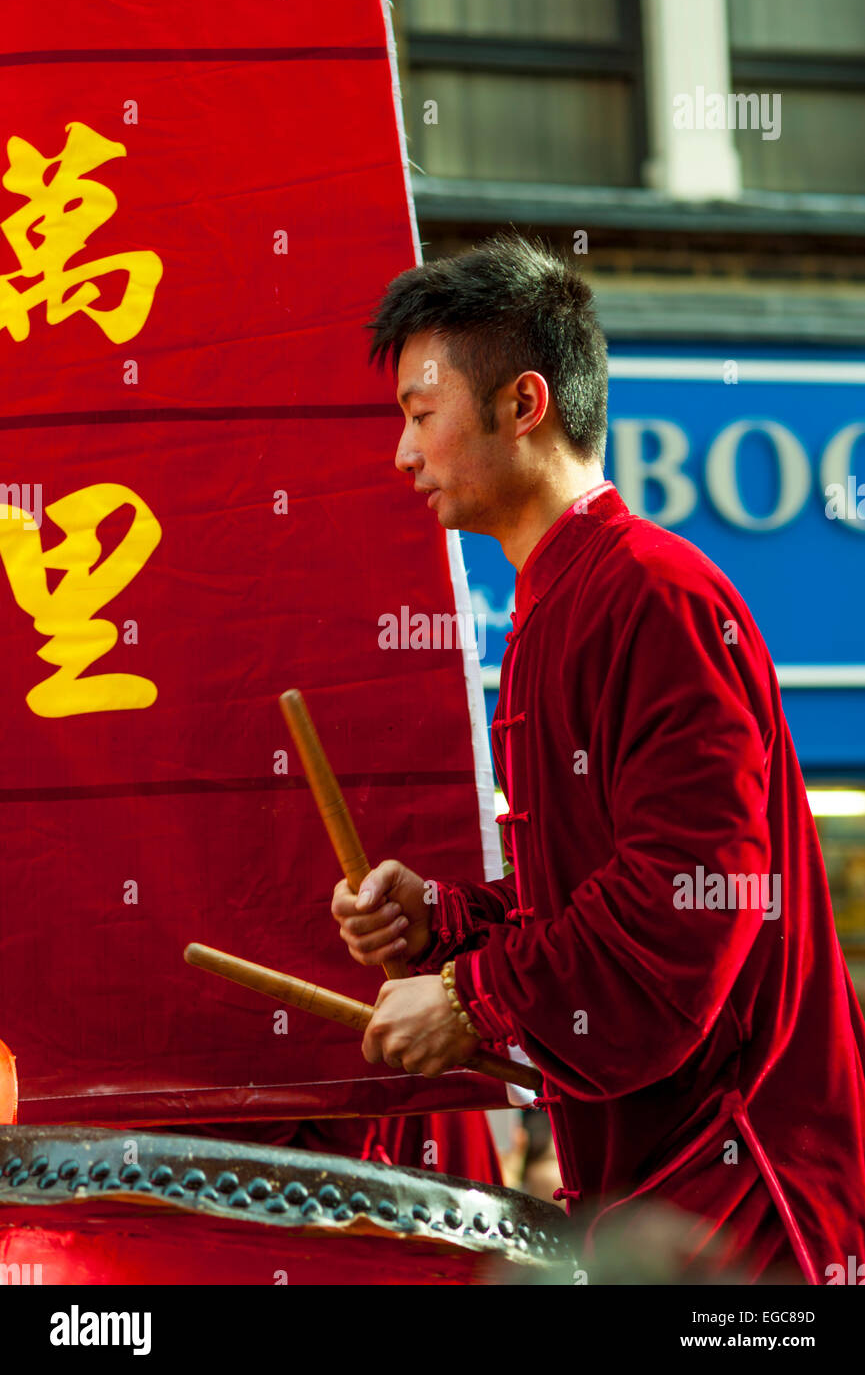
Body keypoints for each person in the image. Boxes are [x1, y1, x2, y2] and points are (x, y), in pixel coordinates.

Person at [331, 233, 865, 1283]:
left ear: (522, 404)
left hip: (749, 1205)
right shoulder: (560, 600)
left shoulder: (652, 596)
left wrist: (471, 999)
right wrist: (442, 920)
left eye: (419, 414)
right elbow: (586, 897)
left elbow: (683, 905)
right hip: (658, 1198)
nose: (403, 455)